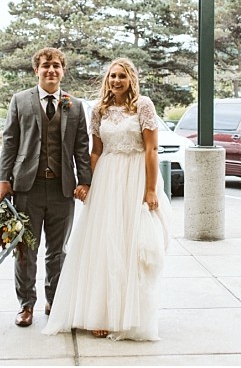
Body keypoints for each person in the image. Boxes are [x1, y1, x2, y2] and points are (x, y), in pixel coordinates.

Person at [45, 57, 170, 342]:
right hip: (107, 179)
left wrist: (150, 190)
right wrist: (87, 182)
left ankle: (128, 315)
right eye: (112, 76)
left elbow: (151, 150)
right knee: (104, 244)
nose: (116, 81)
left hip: (135, 176)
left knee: (131, 245)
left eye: (122, 76)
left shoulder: (143, 106)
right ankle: (101, 313)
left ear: (131, 79)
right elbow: (95, 151)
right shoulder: (98, 110)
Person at [0, 46, 92, 328]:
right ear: (36, 70)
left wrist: (85, 180)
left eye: (56, 66)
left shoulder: (74, 106)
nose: (51, 70)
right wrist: (4, 179)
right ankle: (26, 305)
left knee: (57, 251)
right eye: (46, 65)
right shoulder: (20, 100)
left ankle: (55, 300)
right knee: (26, 250)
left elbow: (82, 147)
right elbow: (10, 141)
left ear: (63, 71)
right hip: (27, 188)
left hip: (63, 190)